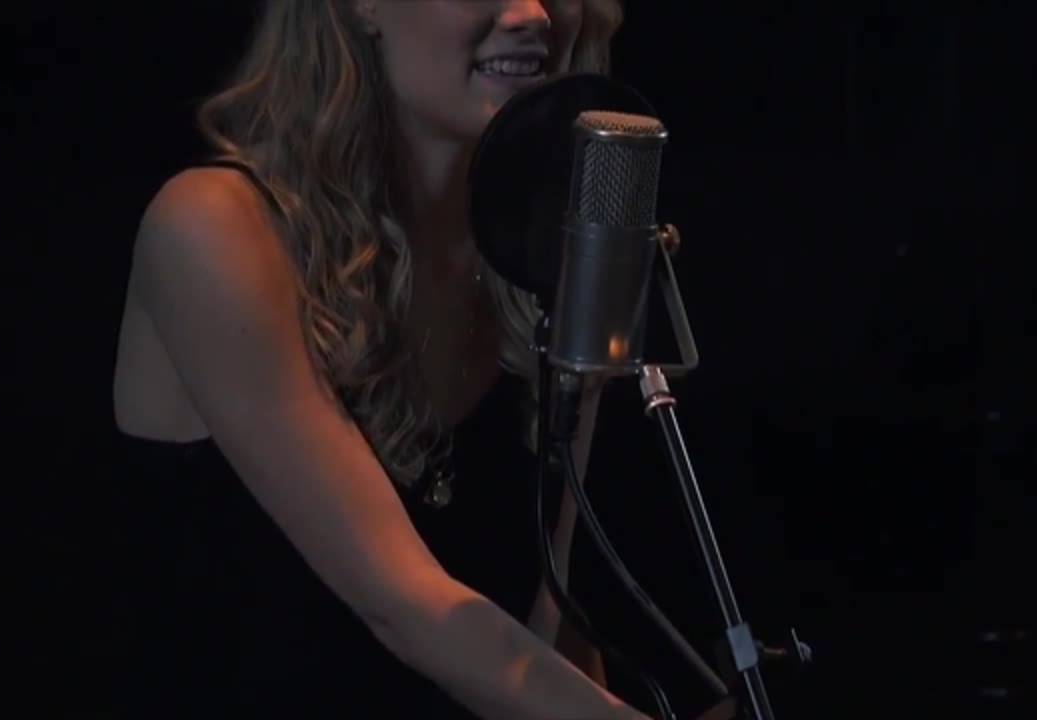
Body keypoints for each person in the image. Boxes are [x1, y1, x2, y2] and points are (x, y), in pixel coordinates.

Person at [110, 1, 649, 717]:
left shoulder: (549, 265)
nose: (532, 12)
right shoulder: (213, 228)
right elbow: (406, 603)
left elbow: (548, 633)